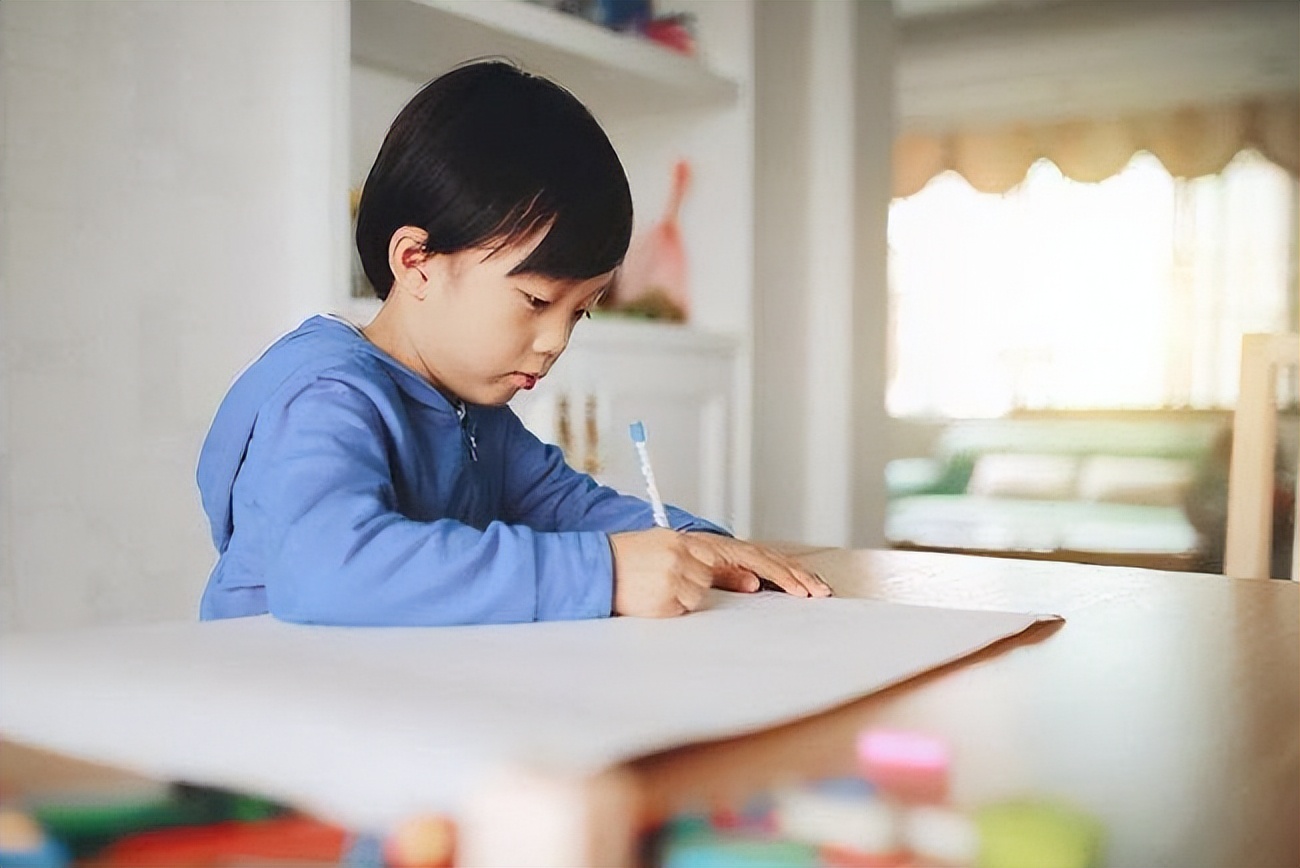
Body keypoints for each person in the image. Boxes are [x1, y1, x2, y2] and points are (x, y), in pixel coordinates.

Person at [196, 61, 830, 627]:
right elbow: (332, 570)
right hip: (272, 736)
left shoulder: (472, 409)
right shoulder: (325, 396)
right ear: (416, 261)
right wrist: (603, 573)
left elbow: (565, 506)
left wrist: (693, 543)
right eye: (535, 301)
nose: (556, 340)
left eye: (580, 312)